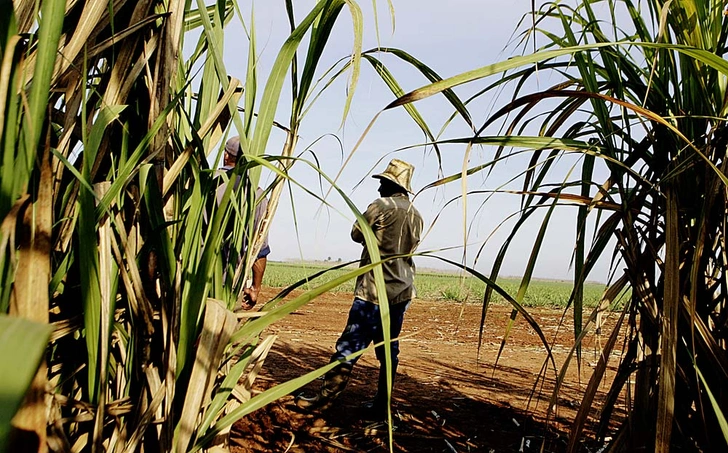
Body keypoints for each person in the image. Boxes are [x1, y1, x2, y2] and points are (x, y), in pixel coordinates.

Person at [295, 158, 424, 417]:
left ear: (390, 184)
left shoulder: (381, 206)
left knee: (349, 345)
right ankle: (381, 405)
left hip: (374, 292)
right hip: (401, 292)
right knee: (388, 351)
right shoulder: (416, 214)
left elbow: (356, 234)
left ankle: (326, 399)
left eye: (382, 183)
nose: (378, 188)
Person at [217, 136, 270, 309]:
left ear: (226, 155)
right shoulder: (258, 195)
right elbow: (259, 249)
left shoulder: (204, 183)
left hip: (193, 281)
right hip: (232, 285)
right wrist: (255, 287)